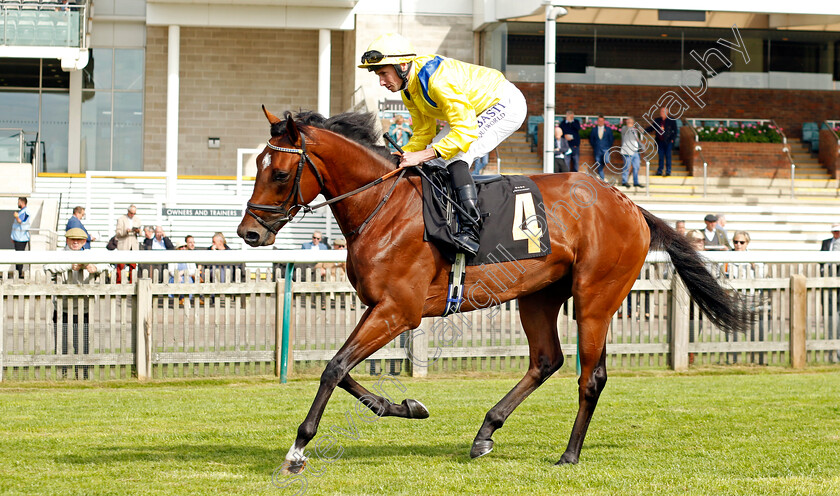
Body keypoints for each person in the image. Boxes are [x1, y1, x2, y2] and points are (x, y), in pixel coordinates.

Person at [359, 32, 527, 256]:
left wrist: (422, 155)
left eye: (383, 74)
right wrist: (397, 158)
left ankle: (471, 230)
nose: (381, 82)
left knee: (455, 154)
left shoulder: (437, 80)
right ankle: (446, 222)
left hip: (504, 104)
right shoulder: (409, 88)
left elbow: (464, 131)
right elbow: (423, 132)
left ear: (401, 65)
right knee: (436, 158)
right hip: (473, 112)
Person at [43, 228, 110, 379]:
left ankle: (84, 374)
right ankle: (63, 374)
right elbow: (46, 267)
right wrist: (68, 265)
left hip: (84, 309)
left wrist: (96, 267)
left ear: (84, 241)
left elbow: (109, 265)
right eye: (72, 239)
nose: (75, 242)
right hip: (62, 308)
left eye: (78, 240)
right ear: (66, 240)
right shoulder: (59, 254)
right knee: (62, 344)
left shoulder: (90, 254)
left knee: (84, 344)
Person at [645, 107, 677, 176]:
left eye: (663, 111)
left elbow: (675, 131)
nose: (661, 113)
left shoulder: (671, 120)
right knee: (661, 156)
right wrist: (644, 131)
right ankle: (660, 170)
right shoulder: (657, 120)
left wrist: (672, 139)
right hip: (659, 141)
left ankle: (668, 171)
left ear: (667, 112)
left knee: (668, 156)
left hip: (668, 142)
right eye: (661, 111)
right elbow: (652, 128)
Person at [588, 115, 614, 180]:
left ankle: (601, 173)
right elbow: (591, 139)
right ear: (597, 121)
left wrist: (608, 146)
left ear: (604, 121)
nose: (600, 122)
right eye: (599, 120)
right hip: (597, 149)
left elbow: (611, 139)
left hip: (606, 149)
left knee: (607, 160)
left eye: (602, 121)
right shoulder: (594, 129)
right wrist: (595, 145)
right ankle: (602, 179)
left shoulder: (608, 129)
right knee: (598, 164)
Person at [620, 117, 643, 188]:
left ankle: (636, 182)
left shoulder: (634, 130)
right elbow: (625, 130)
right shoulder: (625, 128)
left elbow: (638, 138)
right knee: (627, 167)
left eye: (631, 122)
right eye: (628, 122)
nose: (630, 123)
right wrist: (630, 125)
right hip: (627, 151)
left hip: (636, 151)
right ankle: (624, 181)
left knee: (636, 167)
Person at [11, 196, 31, 278]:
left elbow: (20, 221)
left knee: (19, 256)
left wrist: (16, 216)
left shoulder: (25, 212)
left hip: (21, 238)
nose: (18, 203)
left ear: (22, 202)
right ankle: (18, 272)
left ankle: (19, 274)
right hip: (17, 238)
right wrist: (13, 237)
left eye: (19, 202)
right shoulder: (21, 211)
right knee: (17, 256)